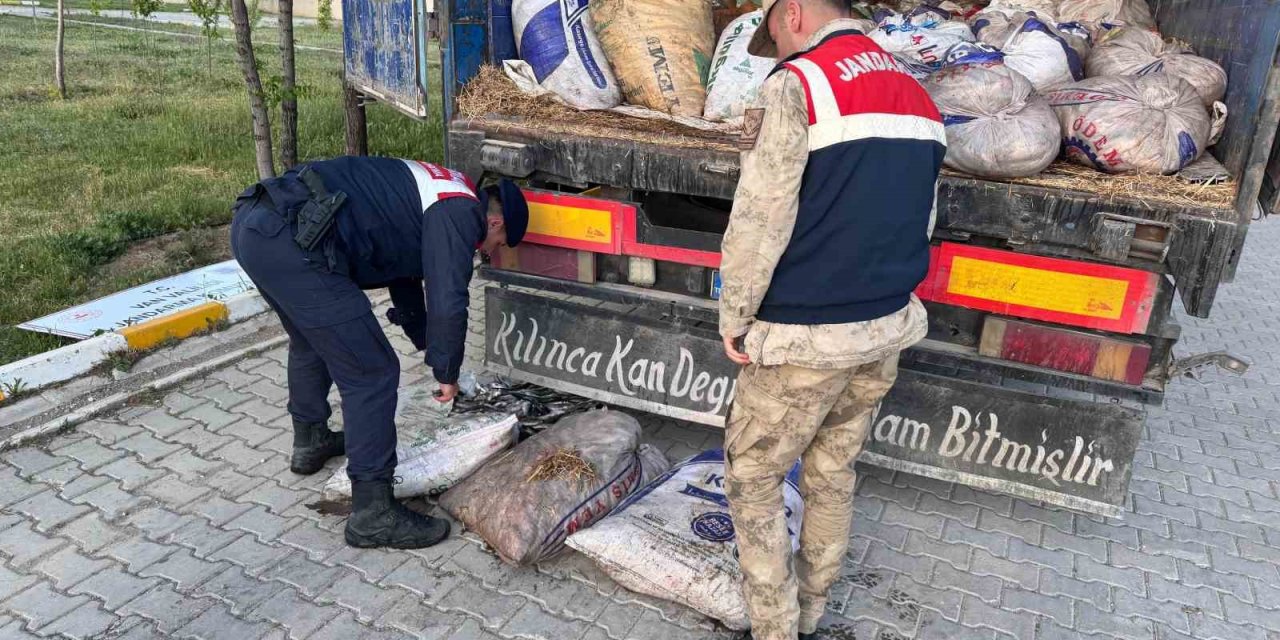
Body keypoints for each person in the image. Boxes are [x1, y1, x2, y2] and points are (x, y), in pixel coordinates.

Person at [716, 1, 946, 638]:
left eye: (776, 35)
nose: (780, 48)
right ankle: (814, 606)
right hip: (885, 328)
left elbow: (763, 215)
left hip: (804, 338)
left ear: (792, 11)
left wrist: (734, 314)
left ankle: (773, 627)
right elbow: (920, 219)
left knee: (753, 478)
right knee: (831, 470)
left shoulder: (800, 83)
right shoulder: (917, 95)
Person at [229, 156, 527, 550]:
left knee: (310, 338)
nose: (489, 252)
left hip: (257, 225)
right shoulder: (461, 212)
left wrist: (428, 347)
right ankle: (372, 513)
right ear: (495, 223)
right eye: (497, 246)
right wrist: (446, 372)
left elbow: (401, 270)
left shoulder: (441, 189)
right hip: (294, 239)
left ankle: (311, 440)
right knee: (372, 372)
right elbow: (448, 296)